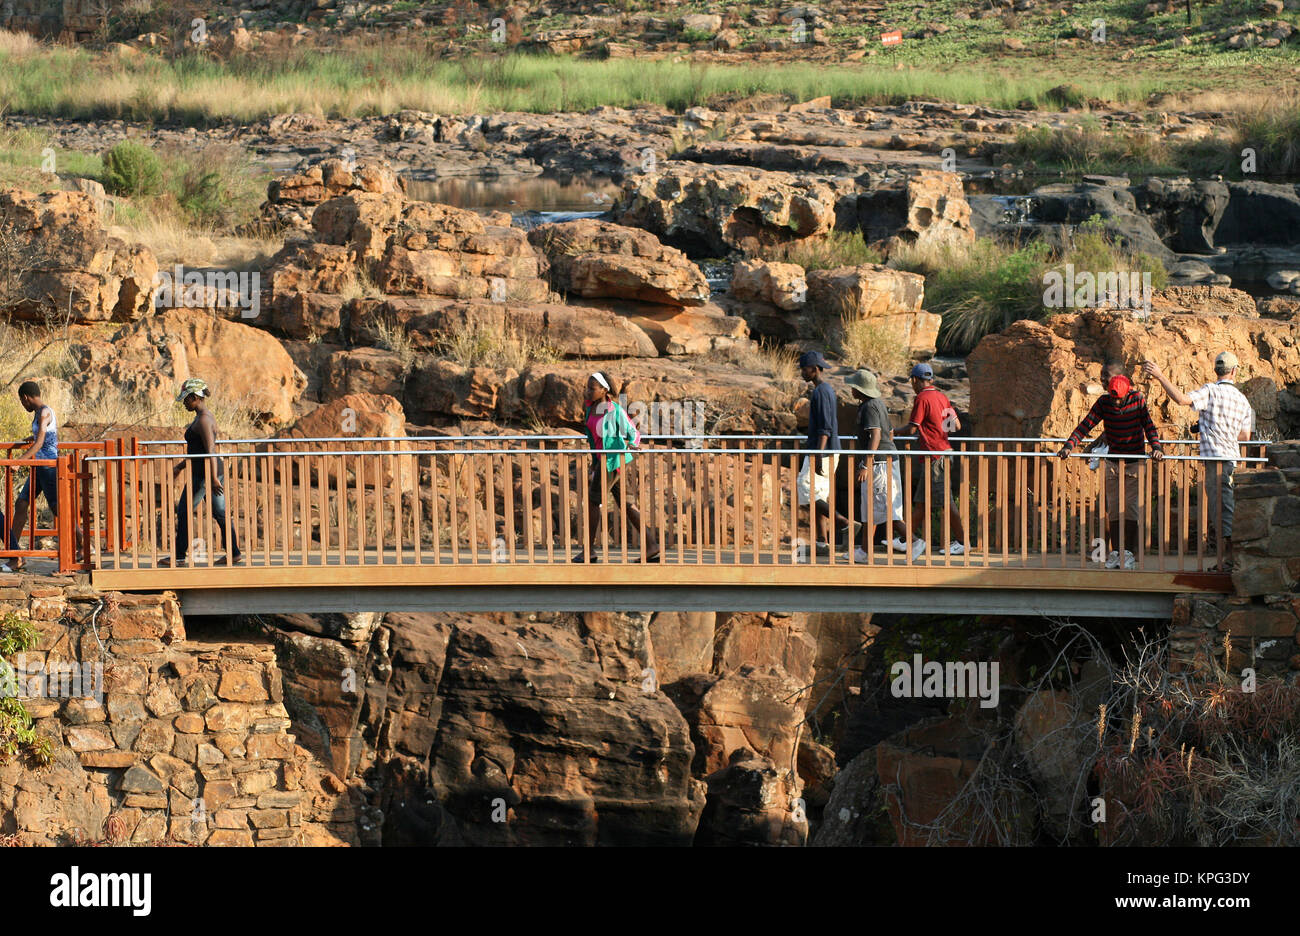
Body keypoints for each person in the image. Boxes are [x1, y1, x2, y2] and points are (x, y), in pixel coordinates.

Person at [1143, 352, 1253, 570]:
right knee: (1226, 506)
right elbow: (1245, 437)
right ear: (1234, 371)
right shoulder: (1243, 400)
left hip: (1215, 459)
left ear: (1216, 370)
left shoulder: (1211, 391)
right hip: (1232, 459)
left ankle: (1229, 562)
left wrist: (1160, 376)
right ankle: (1227, 560)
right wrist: (1218, 430)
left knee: (1221, 509)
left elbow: (1182, 400)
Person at [1058, 361, 1163, 569]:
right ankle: (1116, 552)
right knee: (1114, 509)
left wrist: (1157, 447)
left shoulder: (1137, 400)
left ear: (1126, 389)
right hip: (1113, 462)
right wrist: (1069, 446)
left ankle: (1129, 554)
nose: (1115, 403)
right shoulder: (1104, 402)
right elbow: (1085, 425)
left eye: (1119, 399)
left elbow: (1149, 426)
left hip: (1134, 462)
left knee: (1131, 509)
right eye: (1113, 398)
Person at [572, 371, 659, 563]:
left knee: (594, 504)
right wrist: (594, 464)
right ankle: (651, 545)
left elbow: (632, 431)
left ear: (604, 390)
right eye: (587, 388)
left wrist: (634, 444)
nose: (587, 391)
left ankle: (589, 551)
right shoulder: (590, 408)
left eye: (592, 388)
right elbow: (593, 441)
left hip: (612, 462)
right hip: (605, 462)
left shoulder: (615, 410)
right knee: (628, 505)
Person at [160, 379, 242, 567]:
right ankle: (234, 553)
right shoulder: (202, 416)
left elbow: (210, 450)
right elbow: (197, 450)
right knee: (219, 513)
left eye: (186, 400)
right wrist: (180, 466)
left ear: (195, 397)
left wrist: (213, 478)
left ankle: (179, 556)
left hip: (206, 474)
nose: (184, 403)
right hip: (206, 472)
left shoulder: (204, 419)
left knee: (184, 511)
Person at [845, 368, 924, 562]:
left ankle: (914, 542)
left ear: (860, 389)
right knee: (870, 508)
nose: (851, 390)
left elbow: (877, 435)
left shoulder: (870, 406)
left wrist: (866, 464)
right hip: (883, 461)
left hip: (879, 464)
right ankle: (864, 551)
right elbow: (889, 432)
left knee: (886, 508)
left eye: (853, 387)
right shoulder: (875, 404)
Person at [902, 362, 965, 556]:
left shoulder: (922, 398)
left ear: (915, 380)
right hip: (942, 453)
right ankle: (906, 539)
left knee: (946, 502)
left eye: (912, 381)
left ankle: (963, 542)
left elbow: (912, 427)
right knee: (921, 502)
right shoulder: (941, 396)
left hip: (936, 456)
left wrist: (892, 432)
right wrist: (938, 429)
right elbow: (957, 426)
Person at [797, 350, 852, 558]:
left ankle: (844, 523)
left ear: (815, 369)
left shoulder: (822, 391)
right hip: (823, 450)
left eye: (805, 369)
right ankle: (822, 542)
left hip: (823, 451)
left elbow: (826, 428)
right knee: (818, 494)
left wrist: (819, 454)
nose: (802, 372)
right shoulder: (822, 390)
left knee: (805, 487)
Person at [4, 381, 60, 572]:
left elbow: (40, 444)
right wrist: (31, 439)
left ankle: (85, 545)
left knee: (58, 510)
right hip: (38, 468)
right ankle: (15, 555)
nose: (23, 404)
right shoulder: (38, 414)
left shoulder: (45, 412)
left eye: (22, 401)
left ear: (26, 397)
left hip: (48, 467)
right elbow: (39, 439)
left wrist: (18, 461)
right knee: (21, 504)